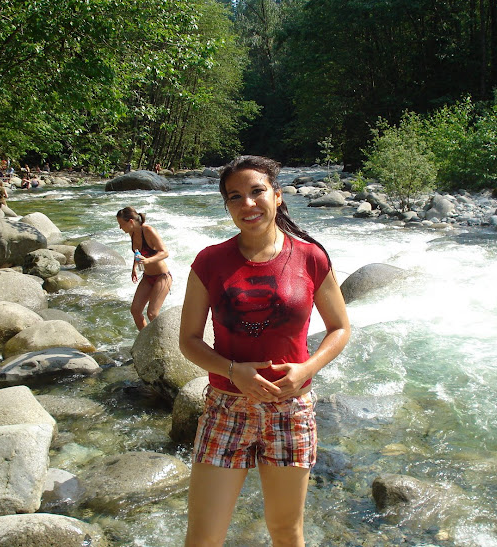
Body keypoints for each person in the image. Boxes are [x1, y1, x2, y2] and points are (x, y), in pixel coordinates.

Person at [179, 155, 350, 546]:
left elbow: (340, 328)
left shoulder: (311, 257)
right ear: (226, 206)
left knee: (287, 532)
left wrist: (307, 368)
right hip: (226, 408)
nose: (247, 204)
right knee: (203, 537)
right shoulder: (209, 261)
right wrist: (232, 369)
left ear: (278, 195)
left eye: (257, 192)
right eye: (235, 197)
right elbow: (188, 340)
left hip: (290, 410)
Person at [116, 207, 173, 330]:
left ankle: (163, 338)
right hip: (147, 277)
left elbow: (165, 252)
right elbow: (138, 253)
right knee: (135, 311)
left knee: (152, 313)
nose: (120, 228)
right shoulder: (132, 233)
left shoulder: (148, 230)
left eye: (121, 224)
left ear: (131, 222)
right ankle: (146, 340)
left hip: (162, 277)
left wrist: (147, 260)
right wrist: (134, 267)